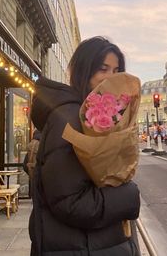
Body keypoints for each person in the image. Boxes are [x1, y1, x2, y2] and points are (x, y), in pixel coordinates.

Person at [29, 36, 140, 256]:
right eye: (103, 69)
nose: (111, 78)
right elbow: (70, 201)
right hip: (80, 246)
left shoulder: (88, 116)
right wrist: (129, 196)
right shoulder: (70, 118)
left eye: (116, 70)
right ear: (84, 71)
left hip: (92, 244)